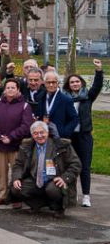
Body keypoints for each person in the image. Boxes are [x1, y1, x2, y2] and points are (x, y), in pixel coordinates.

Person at [10, 121, 81, 217]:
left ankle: (58, 208)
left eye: (42, 132)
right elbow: (18, 164)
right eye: (35, 133)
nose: (39, 136)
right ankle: (37, 204)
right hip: (35, 179)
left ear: (47, 133)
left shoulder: (61, 145)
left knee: (52, 189)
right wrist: (16, 178)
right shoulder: (26, 146)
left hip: (55, 179)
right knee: (16, 188)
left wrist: (64, 178)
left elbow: (76, 164)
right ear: (32, 135)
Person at [0, 79, 33, 206]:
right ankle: (3, 196)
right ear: (4, 90)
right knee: (0, 173)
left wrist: (11, 137)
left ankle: (17, 198)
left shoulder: (25, 106)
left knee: (17, 173)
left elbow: (26, 125)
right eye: (8, 87)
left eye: (13, 87)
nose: (10, 90)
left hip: (16, 146)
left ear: (18, 90)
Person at [62, 59, 102, 207]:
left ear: (82, 83)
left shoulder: (87, 98)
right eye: (72, 82)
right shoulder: (65, 99)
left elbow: (97, 87)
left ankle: (86, 195)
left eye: (77, 82)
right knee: (70, 165)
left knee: (85, 166)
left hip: (84, 136)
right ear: (68, 85)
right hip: (70, 137)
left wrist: (98, 71)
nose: (75, 84)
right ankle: (72, 194)